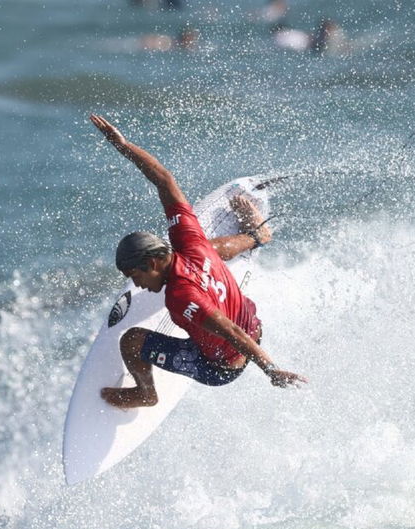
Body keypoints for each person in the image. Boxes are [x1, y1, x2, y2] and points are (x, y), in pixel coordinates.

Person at [88, 114, 306, 409]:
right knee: (207, 248)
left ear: (152, 264)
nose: (134, 283)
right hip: (256, 327)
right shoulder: (186, 241)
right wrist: (123, 144)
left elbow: (231, 332)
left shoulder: (180, 296)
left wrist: (271, 370)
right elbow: (164, 180)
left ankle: (145, 393)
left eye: (134, 275)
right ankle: (256, 236)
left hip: (220, 365)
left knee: (131, 341)